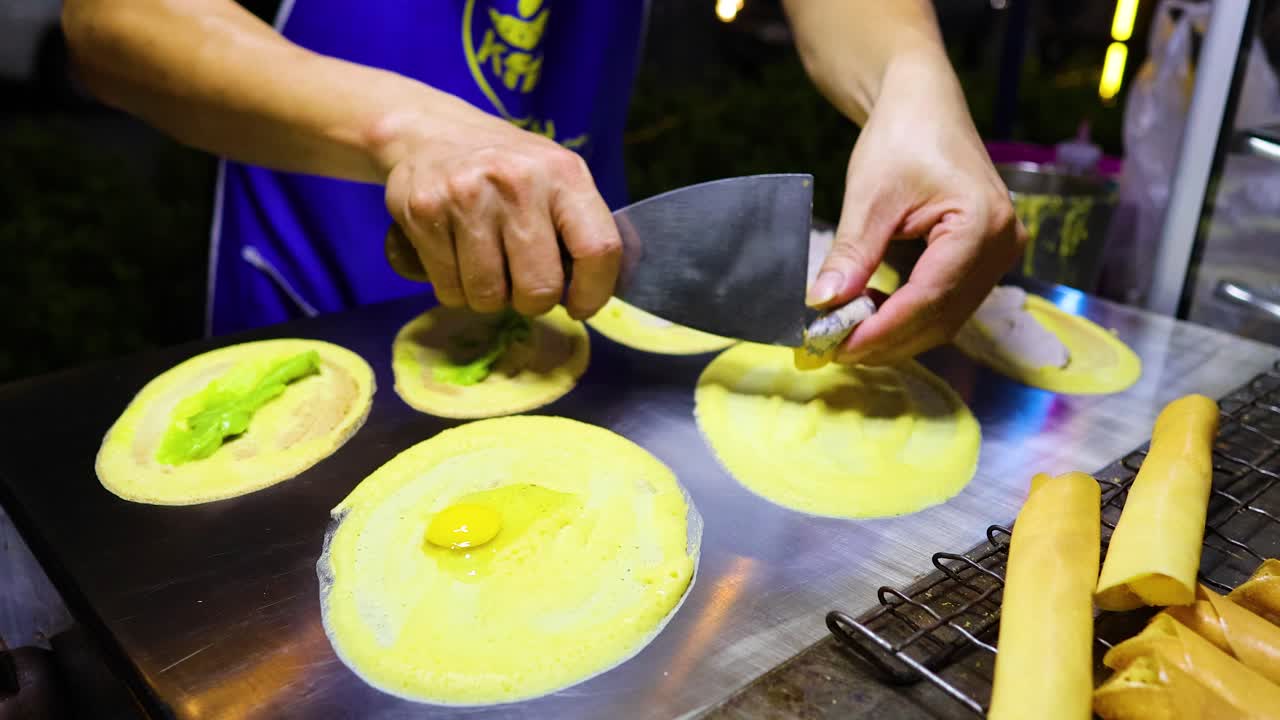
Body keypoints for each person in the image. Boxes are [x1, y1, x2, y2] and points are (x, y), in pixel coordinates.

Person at [60, 0, 1025, 365]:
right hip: (310, 306)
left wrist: (914, 84)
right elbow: (115, 24)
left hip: (579, 302)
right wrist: (413, 128)